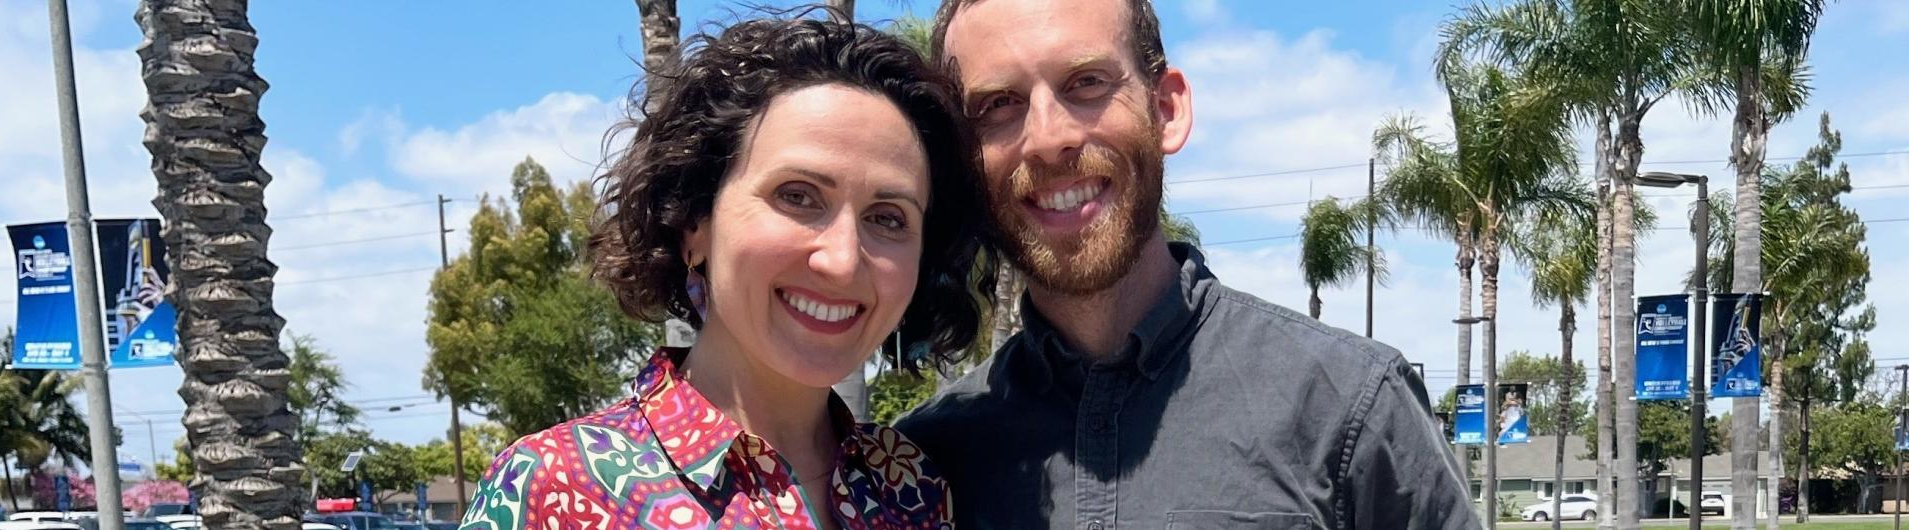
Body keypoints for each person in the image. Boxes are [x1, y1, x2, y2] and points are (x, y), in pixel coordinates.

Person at [893, 0, 1479, 528]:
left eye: (1087, 83)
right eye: (998, 104)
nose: (1049, 138)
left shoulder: (1350, 408)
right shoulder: (924, 463)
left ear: (1166, 109)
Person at [459, 16, 988, 530]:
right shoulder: (555, 488)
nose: (843, 259)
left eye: (887, 218)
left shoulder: (911, 487)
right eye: (798, 196)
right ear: (694, 223)